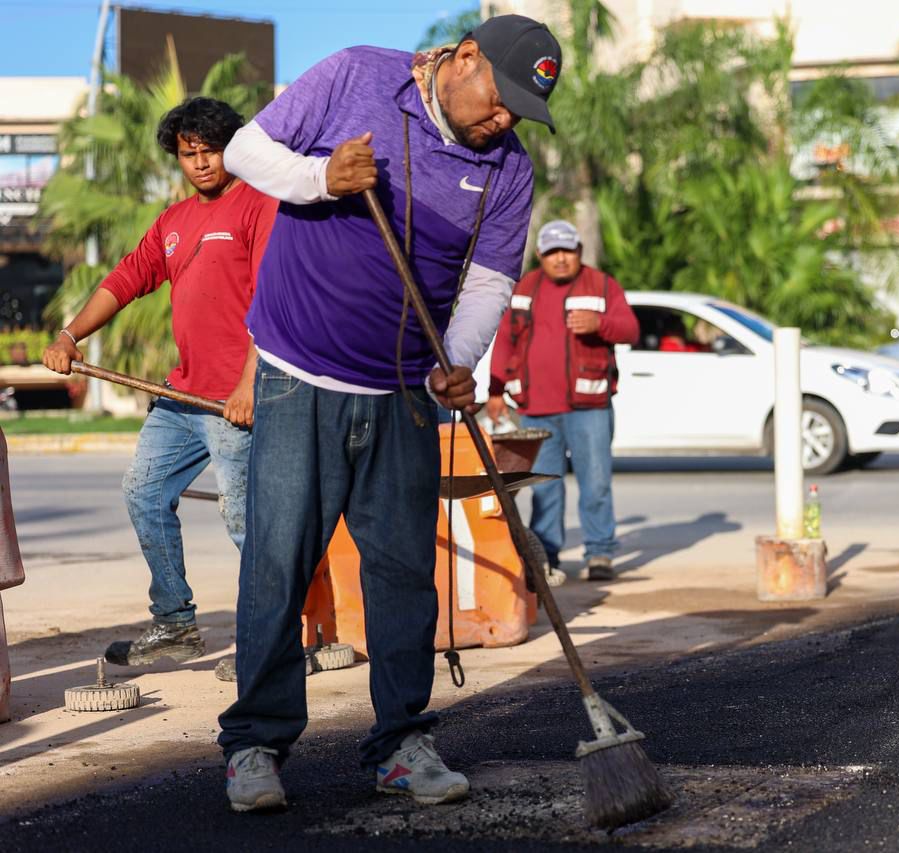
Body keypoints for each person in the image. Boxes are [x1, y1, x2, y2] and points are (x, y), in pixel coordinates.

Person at [214, 16, 560, 813]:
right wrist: (321, 177)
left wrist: (456, 360)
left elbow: (488, 282)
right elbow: (243, 151)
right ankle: (255, 744)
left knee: (404, 572)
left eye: (519, 111)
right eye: (499, 98)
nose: (502, 119)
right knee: (278, 562)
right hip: (299, 373)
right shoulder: (357, 76)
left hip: (405, 389)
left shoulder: (509, 167)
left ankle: (402, 742)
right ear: (464, 58)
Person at [42, 97, 275, 666]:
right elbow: (124, 280)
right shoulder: (173, 222)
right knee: (143, 491)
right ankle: (174, 622)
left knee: (243, 520)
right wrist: (69, 336)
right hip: (182, 396)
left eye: (211, 150)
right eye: (189, 154)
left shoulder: (259, 205)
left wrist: (249, 383)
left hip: (235, 398)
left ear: (233, 149)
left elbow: (272, 300)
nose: (201, 163)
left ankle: (273, 642)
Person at [487, 220, 639, 583]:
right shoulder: (524, 288)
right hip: (536, 409)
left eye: (567, 251)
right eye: (552, 252)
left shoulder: (601, 286)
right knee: (544, 488)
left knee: (596, 482)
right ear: (540, 255)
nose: (560, 258)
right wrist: (494, 391)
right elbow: (505, 339)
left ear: (579, 252)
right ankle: (547, 556)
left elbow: (631, 330)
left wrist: (600, 324)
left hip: (589, 408)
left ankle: (599, 553)